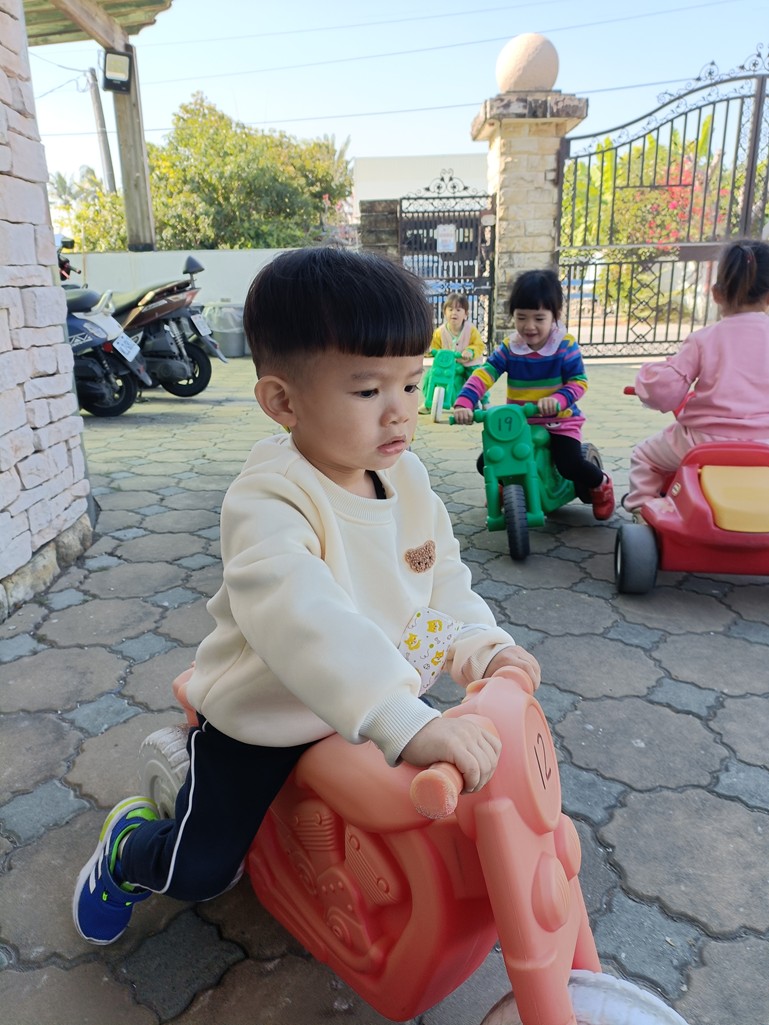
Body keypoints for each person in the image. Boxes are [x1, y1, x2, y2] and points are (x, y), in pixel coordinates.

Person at [73, 247, 541, 946]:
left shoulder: (406, 478)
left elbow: (440, 577)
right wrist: (402, 717)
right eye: (368, 391)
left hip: (375, 697)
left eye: (412, 384)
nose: (400, 413)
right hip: (269, 716)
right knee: (204, 870)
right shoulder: (268, 499)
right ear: (283, 402)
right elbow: (302, 619)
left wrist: (482, 646)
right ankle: (130, 852)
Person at [452, 269, 615, 520]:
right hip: (521, 424)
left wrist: (558, 400)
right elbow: (485, 373)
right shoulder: (510, 347)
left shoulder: (564, 346)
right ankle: (508, 484)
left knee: (569, 464)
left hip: (560, 421)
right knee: (486, 462)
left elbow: (579, 382)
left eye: (539, 318)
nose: (529, 326)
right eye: (521, 317)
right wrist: (465, 402)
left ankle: (601, 484)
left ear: (555, 315)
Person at [624, 239, 769, 512]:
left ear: (716, 294)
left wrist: (646, 380)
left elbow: (666, 392)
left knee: (644, 455)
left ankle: (642, 509)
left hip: (703, 441)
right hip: (765, 444)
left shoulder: (704, 339)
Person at [419, 292, 485, 413]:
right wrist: (428, 351)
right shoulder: (440, 332)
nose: (454, 313)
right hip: (447, 364)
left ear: (465, 314)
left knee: (475, 377)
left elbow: (479, 345)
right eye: (450, 309)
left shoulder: (470, 329)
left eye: (458, 310)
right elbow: (434, 347)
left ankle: (482, 401)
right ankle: (429, 401)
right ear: (445, 313)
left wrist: (470, 351)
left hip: (467, 363)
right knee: (431, 375)